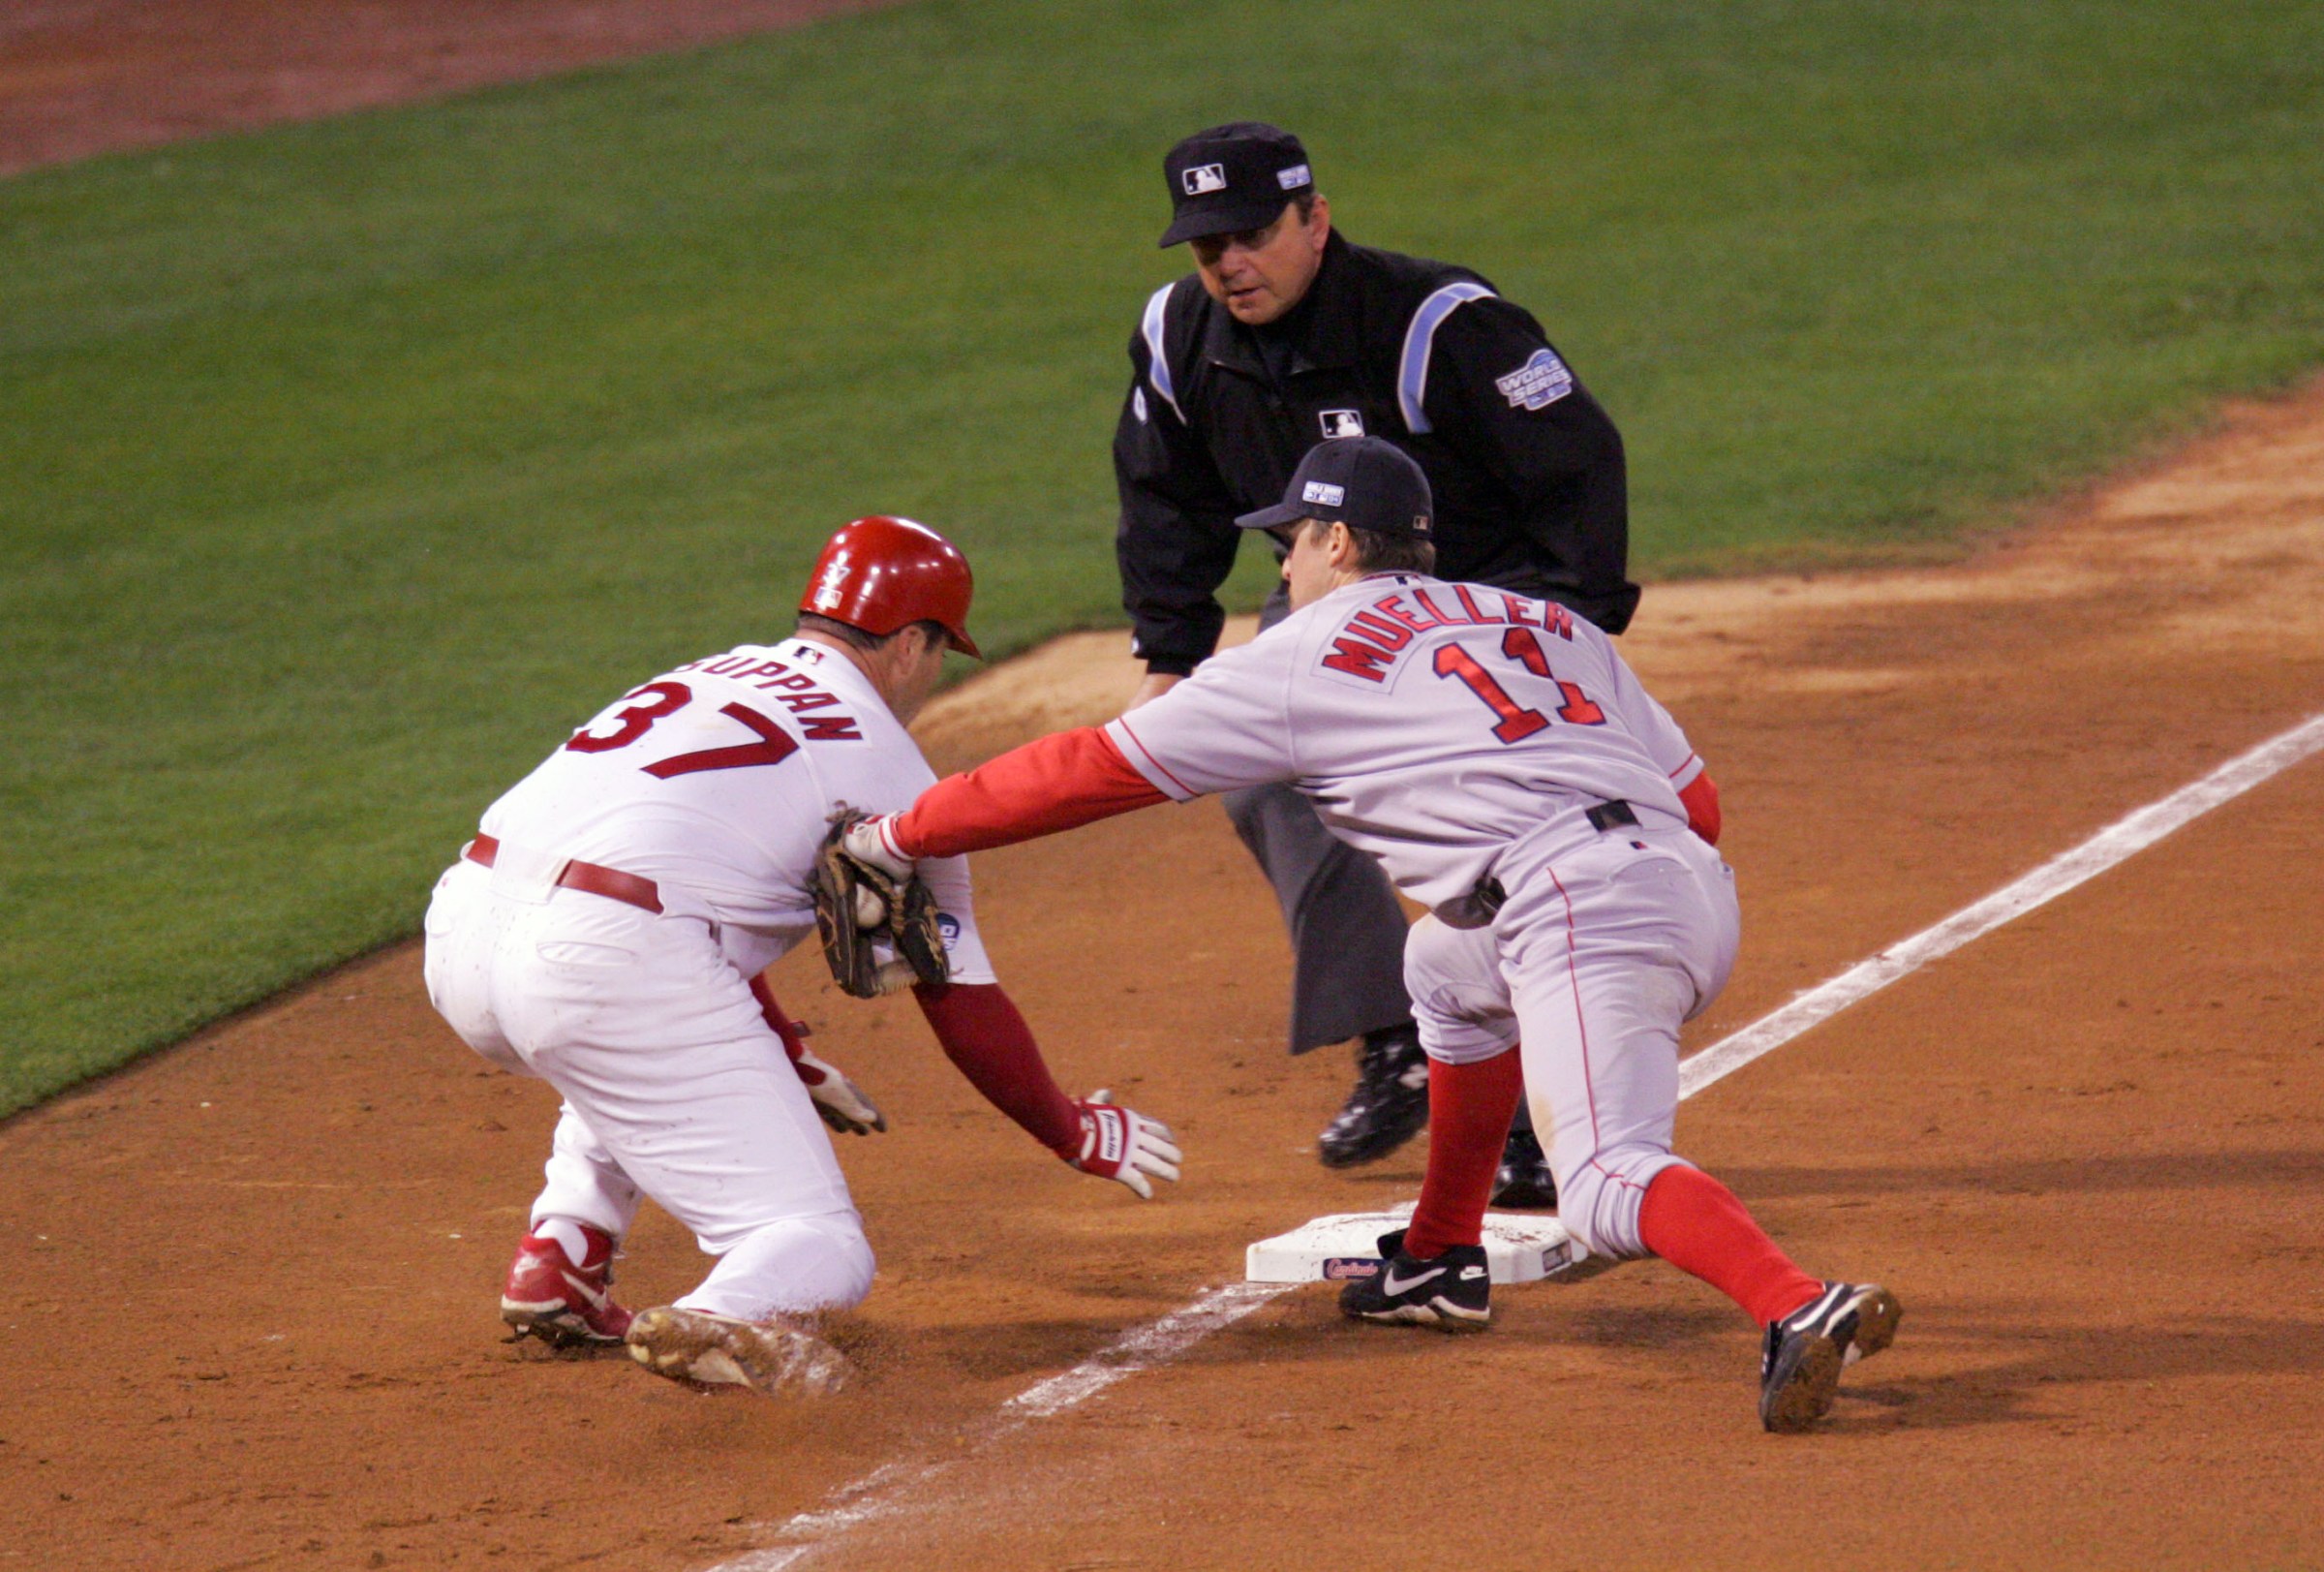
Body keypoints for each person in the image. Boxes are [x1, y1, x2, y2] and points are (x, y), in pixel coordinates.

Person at [842, 442, 1899, 1431]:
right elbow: (1699, 803)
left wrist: (898, 832)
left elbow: (1090, 769)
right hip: (1688, 889)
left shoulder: (1298, 655)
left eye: (1289, 542)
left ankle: (1796, 1301)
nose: (1284, 567)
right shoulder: (1541, 619)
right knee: (1441, 963)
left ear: (1338, 541)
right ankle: (1440, 1257)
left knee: (1603, 1182)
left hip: (1579, 909)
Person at [420, 516, 1181, 1400]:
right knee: (820, 1242)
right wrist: (1069, 1127)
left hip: (462, 933)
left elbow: (685, 885)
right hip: (601, 966)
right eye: (941, 650)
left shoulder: (707, 673)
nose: (934, 673)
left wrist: (782, 1049)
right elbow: (957, 998)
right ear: (909, 643)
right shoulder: (892, 771)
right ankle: (722, 1311)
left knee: (633, 1056)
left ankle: (565, 1255)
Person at [1115, 121, 1636, 1196]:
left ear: (1316, 219)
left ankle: (1534, 1116)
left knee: (1487, 831)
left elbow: (1577, 465)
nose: (1229, 265)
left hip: (1488, 600)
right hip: (1335, 592)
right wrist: (1171, 651)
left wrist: (1566, 629)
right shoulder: (1178, 336)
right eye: (1209, 246)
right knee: (1263, 774)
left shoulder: (1440, 323)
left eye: (1252, 236)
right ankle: (1396, 1038)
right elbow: (1166, 498)